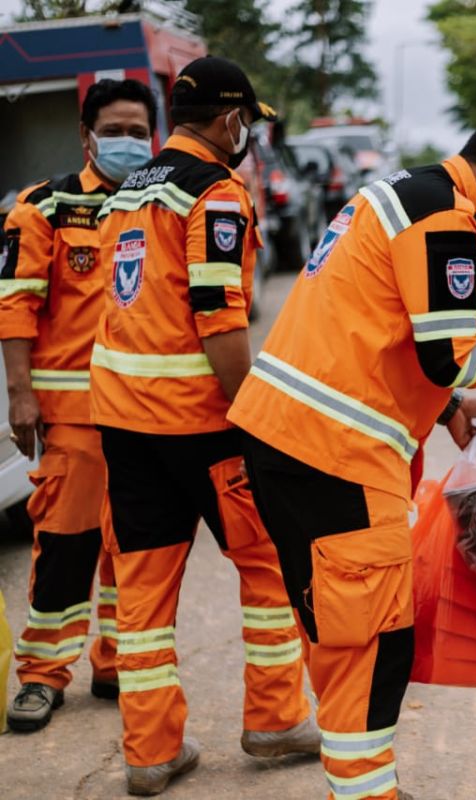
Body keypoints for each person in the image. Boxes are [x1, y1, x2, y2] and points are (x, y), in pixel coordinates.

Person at [228, 100, 476, 800]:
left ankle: (362, 786)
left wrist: (447, 409)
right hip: (333, 453)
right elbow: (447, 353)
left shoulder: (406, 195)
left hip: (293, 441)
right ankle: (365, 793)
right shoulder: (441, 215)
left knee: (344, 630)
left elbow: (381, 329)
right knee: (374, 642)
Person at [91, 57, 317, 795]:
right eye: (246, 120)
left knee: (144, 595)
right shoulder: (216, 193)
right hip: (203, 426)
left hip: (125, 427)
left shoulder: (128, 189)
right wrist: (254, 414)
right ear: (230, 121)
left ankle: (151, 753)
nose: (246, 133)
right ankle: (275, 721)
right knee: (268, 567)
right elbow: (220, 317)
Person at [0, 78, 156, 733]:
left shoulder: (161, 204)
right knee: (65, 549)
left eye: (139, 131)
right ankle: (42, 675)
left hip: (147, 417)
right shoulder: (45, 207)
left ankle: (114, 661)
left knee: (134, 551)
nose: (128, 142)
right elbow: (16, 304)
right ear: (87, 135)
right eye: (115, 130)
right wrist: (20, 395)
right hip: (74, 419)